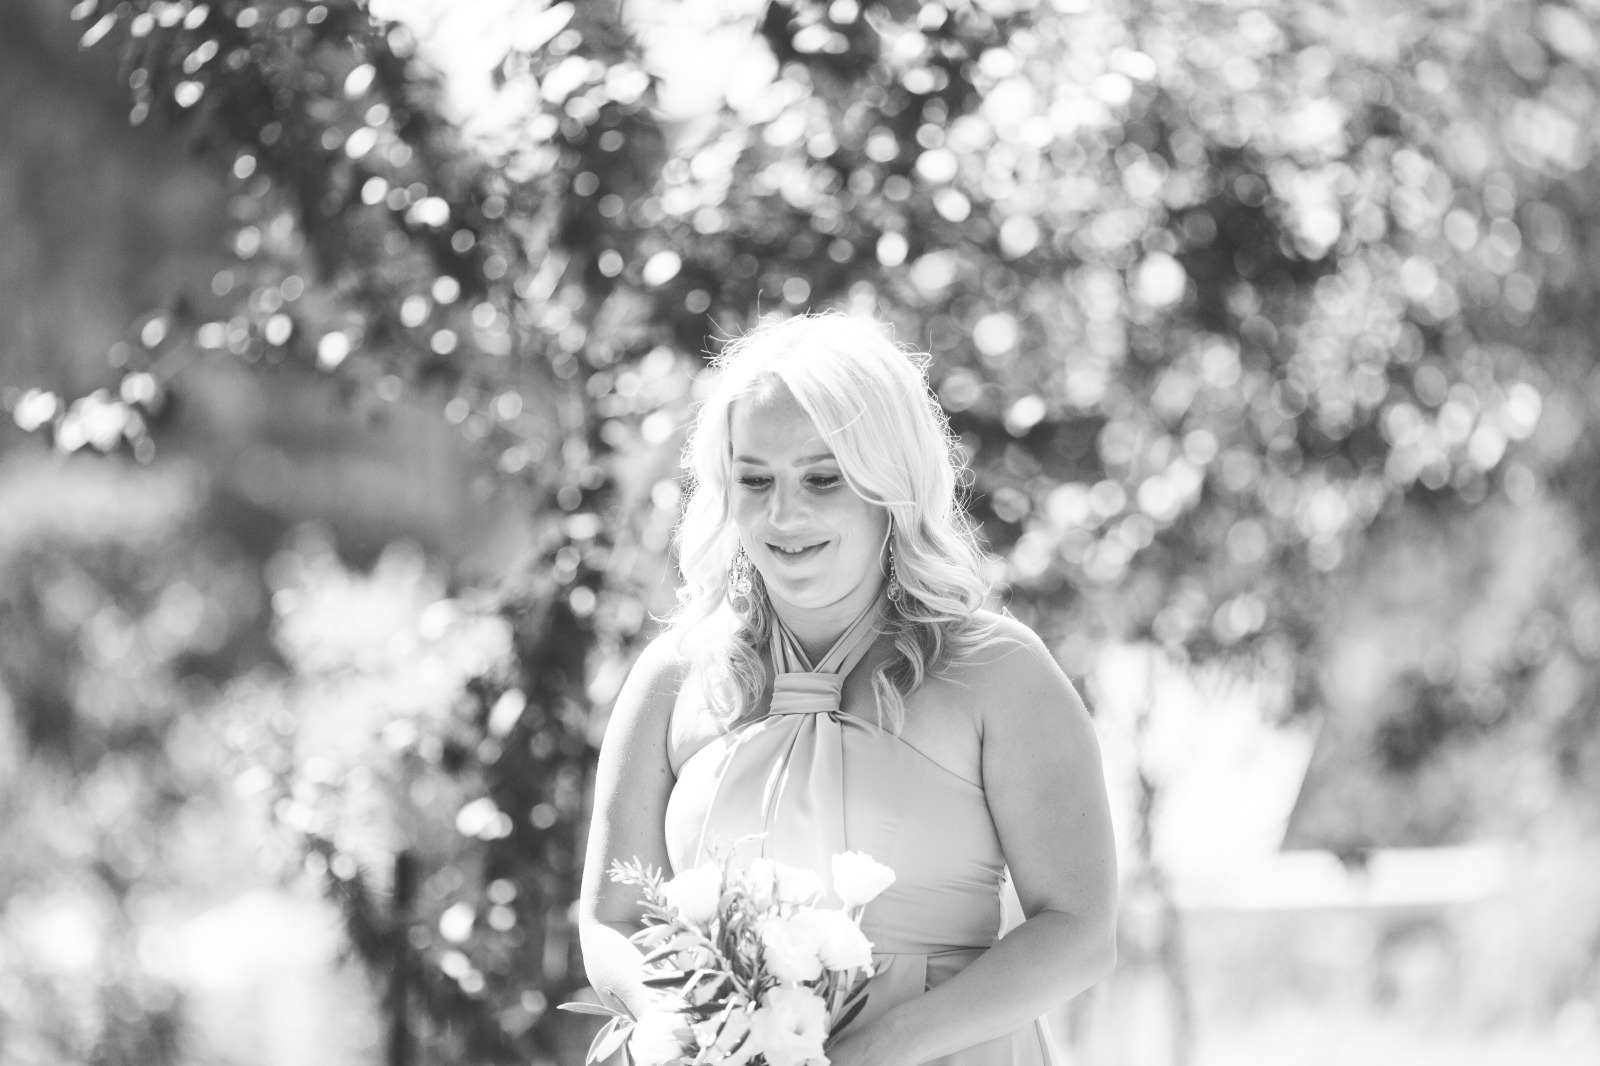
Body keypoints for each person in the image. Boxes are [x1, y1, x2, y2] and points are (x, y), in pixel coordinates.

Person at [578, 311, 1118, 1066]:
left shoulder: (998, 672)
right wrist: (672, 1023)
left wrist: (882, 1049)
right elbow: (613, 917)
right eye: (755, 480)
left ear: (889, 481)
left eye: (822, 478)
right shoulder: (672, 679)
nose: (783, 514)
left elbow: (1079, 929)